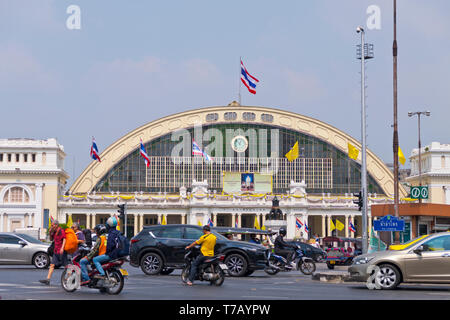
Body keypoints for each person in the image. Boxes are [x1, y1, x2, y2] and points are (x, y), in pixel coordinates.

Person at [40, 220, 67, 285]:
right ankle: (48, 279)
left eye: (52, 225)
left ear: (56, 225)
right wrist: (50, 232)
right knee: (52, 265)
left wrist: (62, 248)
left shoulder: (61, 231)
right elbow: (51, 239)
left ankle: (69, 278)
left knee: (66, 266)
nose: (51, 226)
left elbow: (64, 239)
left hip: (61, 251)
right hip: (56, 251)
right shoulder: (54, 232)